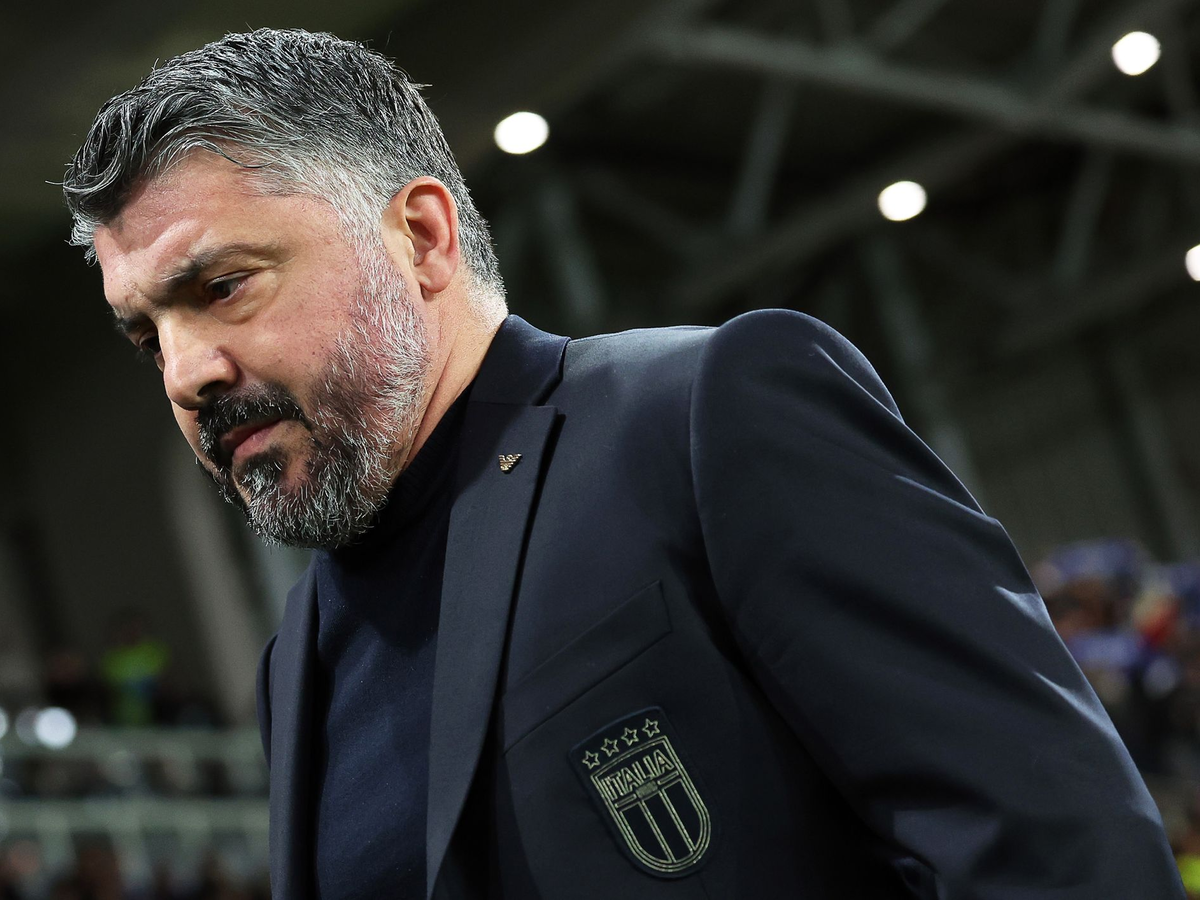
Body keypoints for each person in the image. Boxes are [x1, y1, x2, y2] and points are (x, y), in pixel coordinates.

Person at [63, 28, 1184, 900]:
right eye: (147, 335)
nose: (185, 373)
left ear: (422, 239)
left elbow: (1055, 851)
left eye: (222, 287)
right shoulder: (297, 662)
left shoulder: (704, 415)